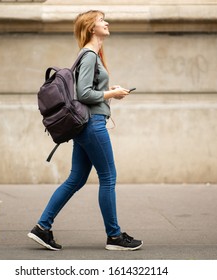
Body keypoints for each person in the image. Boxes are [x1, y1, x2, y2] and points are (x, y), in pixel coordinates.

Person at [28, 10, 143, 251]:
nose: (107, 23)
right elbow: (84, 94)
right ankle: (114, 236)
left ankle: (42, 228)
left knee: (76, 179)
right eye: (102, 20)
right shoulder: (90, 55)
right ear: (92, 27)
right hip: (92, 125)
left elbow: (88, 89)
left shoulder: (91, 55)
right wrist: (113, 94)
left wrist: (109, 88)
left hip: (84, 126)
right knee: (108, 177)